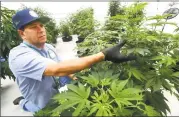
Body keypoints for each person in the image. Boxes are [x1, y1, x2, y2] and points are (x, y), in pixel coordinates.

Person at [8, 8, 136, 113]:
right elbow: (57, 70)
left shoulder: (49, 47)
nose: (40, 29)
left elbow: (61, 65)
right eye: (33, 27)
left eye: (41, 25)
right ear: (22, 34)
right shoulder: (18, 56)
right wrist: (103, 55)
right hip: (42, 104)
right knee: (34, 106)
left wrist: (75, 78)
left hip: (58, 94)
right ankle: (22, 101)